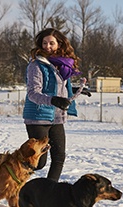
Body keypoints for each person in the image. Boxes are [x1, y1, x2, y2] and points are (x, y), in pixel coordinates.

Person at [23, 28, 90, 182]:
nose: (47, 46)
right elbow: (33, 93)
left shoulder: (62, 65)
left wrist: (74, 90)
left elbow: (58, 89)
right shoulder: (37, 64)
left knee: (59, 157)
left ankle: (49, 191)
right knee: (39, 162)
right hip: (38, 117)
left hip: (57, 117)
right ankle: (10, 177)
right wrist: (53, 100)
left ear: (59, 44)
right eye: (44, 43)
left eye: (51, 43)